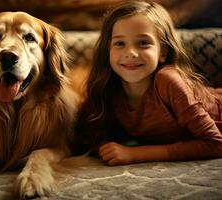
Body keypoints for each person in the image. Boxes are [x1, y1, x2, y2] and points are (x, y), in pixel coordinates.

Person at [73, 0, 222, 166]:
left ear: (163, 52)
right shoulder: (108, 87)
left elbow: (216, 144)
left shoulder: (168, 81)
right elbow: (87, 137)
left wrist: (134, 154)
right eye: (119, 43)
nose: (130, 53)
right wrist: (104, 147)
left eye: (143, 43)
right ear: (108, 50)